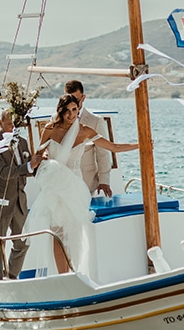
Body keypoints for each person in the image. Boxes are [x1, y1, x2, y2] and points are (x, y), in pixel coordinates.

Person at [26, 94, 139, 274]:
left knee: (74, 233)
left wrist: (139, 145)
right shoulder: (50, 129)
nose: (71, 114)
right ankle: (63, 275)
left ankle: (74, 271)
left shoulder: (85, 131)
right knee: (57, 234)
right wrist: (44, 156)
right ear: (60, 111)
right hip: (55, 186)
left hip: (74, 188)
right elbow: (38, 154)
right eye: (67, 110)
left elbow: (114, 147)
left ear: (78, 110)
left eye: (74, 110)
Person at [0, 109, 45, 280]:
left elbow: (28, 169)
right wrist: (29, 166)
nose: (12, 127)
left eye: (14, 124)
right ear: (0, 123)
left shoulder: (22, 142)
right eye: (9, 124)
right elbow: (4, 172)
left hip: (19, 201)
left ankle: (11, 276)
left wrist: (40, 163)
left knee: (23, 242)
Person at [64, 79, 113, 197]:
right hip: (63, 181)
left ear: (83, 98)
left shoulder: (95, 121)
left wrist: (104, 180)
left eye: (76, 99)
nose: (72, 103)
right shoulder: (56, 119)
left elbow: (103, 153)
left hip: (87, 181)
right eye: (68, 99)